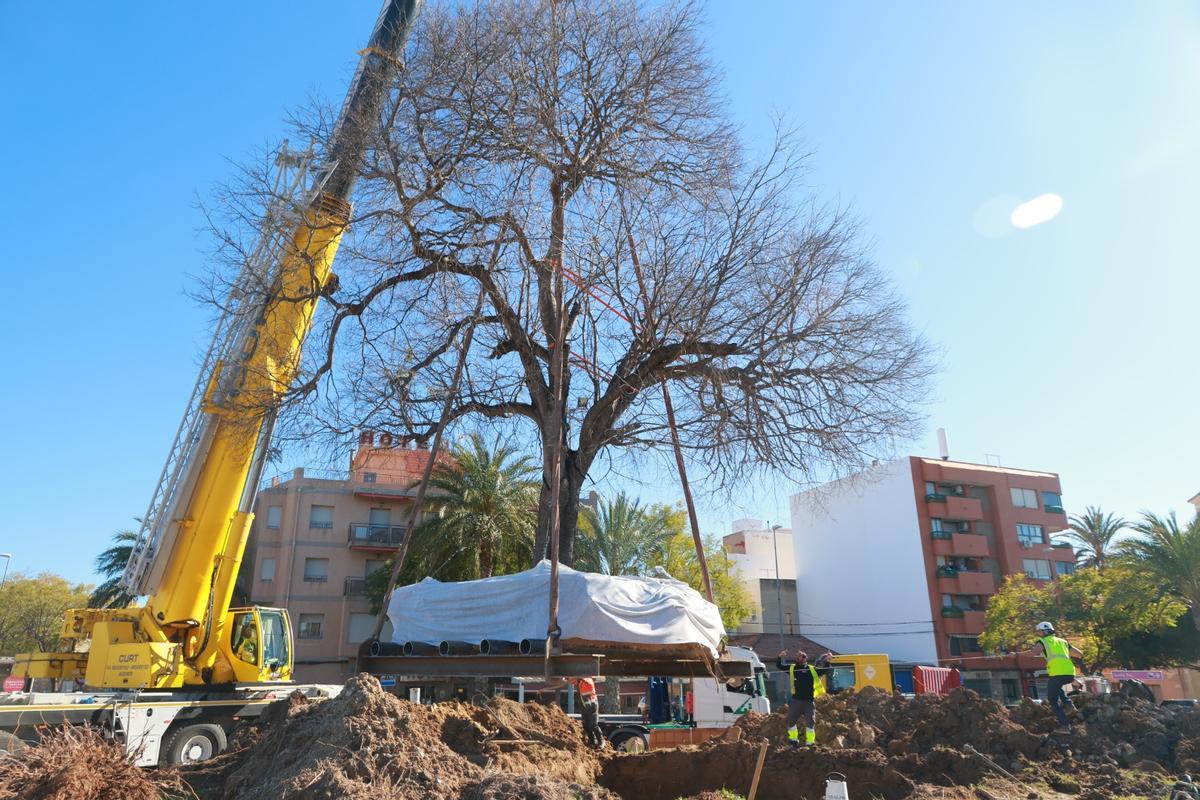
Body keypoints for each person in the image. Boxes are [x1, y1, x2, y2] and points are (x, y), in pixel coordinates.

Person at [1021, 621, 1082, 733]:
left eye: (1040, 631)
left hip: (1057, 673)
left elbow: (1032, 653)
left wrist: (1016, 654)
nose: (1039, 634)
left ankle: (1065, 726)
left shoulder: (1043, 641)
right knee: (1057, 689)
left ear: (1045, 631)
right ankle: (1069, 705)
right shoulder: (1063, 641)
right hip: (1070, 673)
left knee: (1052, 700)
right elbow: (1079, 653)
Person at [776, 649, 832, 745]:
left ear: (805, 659)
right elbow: (779, 666)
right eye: (797, 657)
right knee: (791, 720)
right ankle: (793, 740)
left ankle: (810, 742)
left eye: (800, 656)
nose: (798, 658)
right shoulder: (792, 668)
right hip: (796, 700)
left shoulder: (811, 669)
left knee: (810, 723)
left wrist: (828, 661)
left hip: (809, 701)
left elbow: (824, 671)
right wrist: (780, 657)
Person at [574, 676, 605, 749]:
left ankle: (601, 741)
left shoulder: (588, 680)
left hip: (592, 705)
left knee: (593, 724)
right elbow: (569, 680)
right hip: (584, 706)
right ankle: (592, 741)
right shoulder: (579, 681)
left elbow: (587, 681)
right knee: (585, 725)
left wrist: (581, 678)